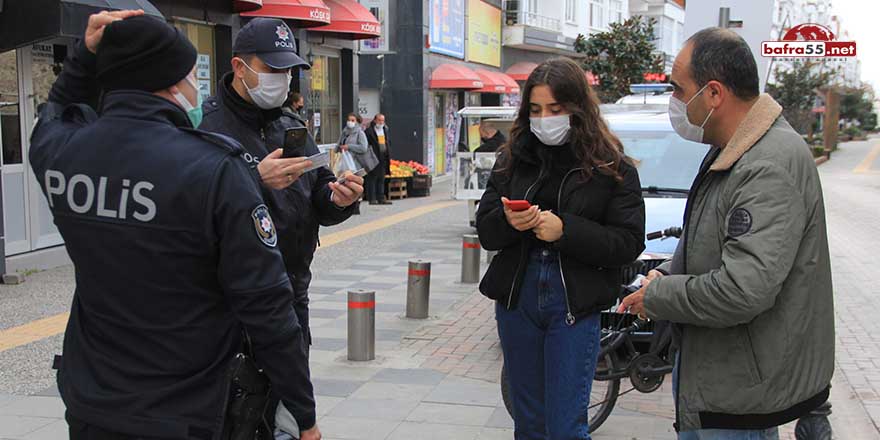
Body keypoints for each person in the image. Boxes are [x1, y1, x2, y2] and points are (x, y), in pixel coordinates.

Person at [28, 11, 321, 440]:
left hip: (92, 401)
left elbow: (53, 116)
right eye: (191, 77)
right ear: (169, 83)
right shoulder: (215, 169)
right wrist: (304, 415)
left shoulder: (62, 154)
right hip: (187, 407)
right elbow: (268, 308)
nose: (195, 88)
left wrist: (85, 60)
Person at [619, 28, 834, 439]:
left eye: (680, 90)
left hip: (741, 391)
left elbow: (743, 290)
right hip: (720, 376)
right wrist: (668, 270)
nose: (675, 103)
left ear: (714, 93)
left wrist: (660, 296)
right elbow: (708, 235)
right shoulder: (732, 148)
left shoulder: (766, 164)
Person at [476, 57, 646, 439]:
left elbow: (628, 243)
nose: (544, 119)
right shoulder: (512, 159)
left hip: (573, 305)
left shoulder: (612, 166)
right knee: (529, 424)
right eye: (535, 109)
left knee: (566, 426)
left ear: (577, 108)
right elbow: (486, 230)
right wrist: (510, 222)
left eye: (555, 109)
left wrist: (565, 230)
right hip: (518, 301)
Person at [200, 17, 362, 361]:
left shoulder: (291, 125)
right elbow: (193, 206)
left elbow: (319, 191)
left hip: (292, 288)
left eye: (288, 70)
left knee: (292, 400)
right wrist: (254, 180)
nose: (282, 79)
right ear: (239, 68)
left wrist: (338, 199)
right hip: (232, 298)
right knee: (239, 404)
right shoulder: (207, 128)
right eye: (272, 68)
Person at [364, 113, 393, 205]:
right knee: (372, 178)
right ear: (375, 120)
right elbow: (366, 145)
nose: (381, 122)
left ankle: (381, 198)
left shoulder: (385, 130)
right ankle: (372, 198)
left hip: (383, 157)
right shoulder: (369, 131)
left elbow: (388, 142)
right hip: (373, 157)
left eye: (382, 120)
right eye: (379, 120)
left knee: (381, 178)